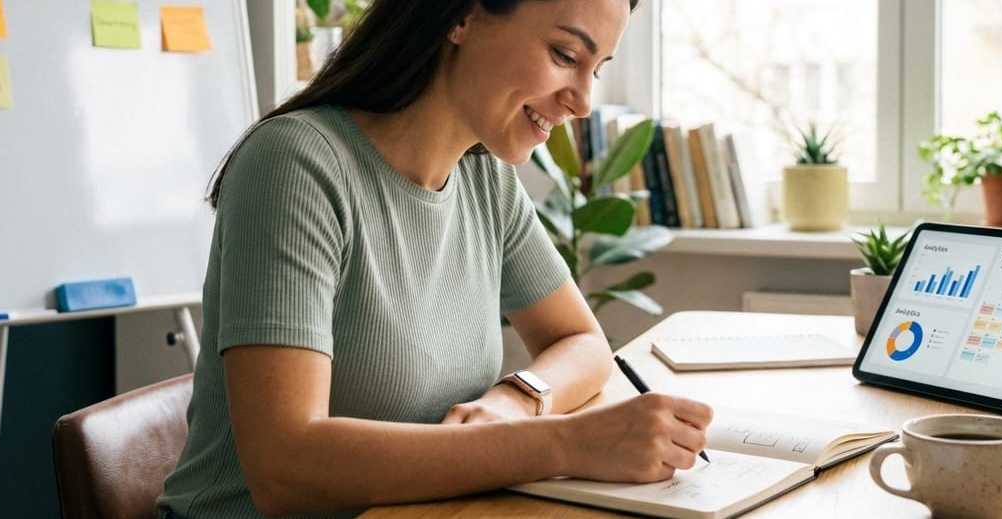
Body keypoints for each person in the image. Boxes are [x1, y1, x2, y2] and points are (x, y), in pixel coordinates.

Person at [156, 0, 713, 517]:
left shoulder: (485, 176)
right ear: (462, 17)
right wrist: (564, 443)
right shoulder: (295, 165)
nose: (583, 101)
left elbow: (583, 343)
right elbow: (284, 470)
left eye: (596, 68)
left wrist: (515, 403)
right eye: (565, 56)